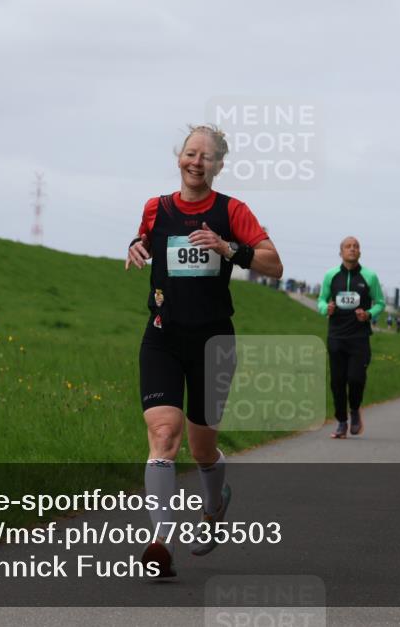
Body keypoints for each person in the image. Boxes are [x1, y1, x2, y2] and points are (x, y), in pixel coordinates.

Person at [125, 125, 283, 577]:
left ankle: (215, 505)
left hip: (214, 344)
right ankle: (161, 543)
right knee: (163, 436)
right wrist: (135, 247)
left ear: (218, 166)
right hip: (162, 337)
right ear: (179, 158)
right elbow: (146, 241)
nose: (197, 162)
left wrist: (229, 247)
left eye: (206, 156)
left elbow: (274, 264)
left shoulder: (232, 210)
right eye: (190, 153)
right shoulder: (156, 208)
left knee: (201, 450)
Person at [317, 236, 386, 438]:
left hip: (359, 337)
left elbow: (380, 302)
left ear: (360, 252)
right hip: (336, 336)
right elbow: (321, 299)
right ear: (341, 252)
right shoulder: (331, 275)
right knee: (337, 382)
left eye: (356, 246)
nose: (352, 249)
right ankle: (341, 422)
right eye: (348, 246)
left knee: (355, 379)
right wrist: (325, 308)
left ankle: (354, 410)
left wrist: (369, 314)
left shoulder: (369, 276)